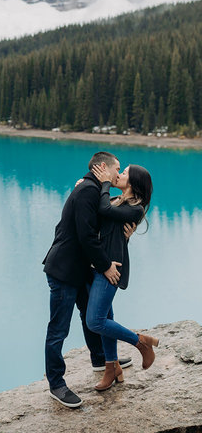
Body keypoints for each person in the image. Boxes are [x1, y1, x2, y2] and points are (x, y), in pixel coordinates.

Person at [42, 151, 135, 409]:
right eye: (117, 169)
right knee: (58, 329)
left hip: (80, 268)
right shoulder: (87, 191)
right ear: (103, 167)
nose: (118, 175)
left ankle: (101, 359)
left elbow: (106, 223)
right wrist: (106, 266)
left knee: (89, 316)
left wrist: (129, 229)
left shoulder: (93, 189)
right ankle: (56, 384)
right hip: (64, 270)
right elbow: (86, 235)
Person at [85, 162, 158, 392]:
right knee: (106, 319)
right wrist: (85, 186)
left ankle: (141, 343)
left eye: (124, 173)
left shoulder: (135, 208)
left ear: (133, 183)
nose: (119, 174)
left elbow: (104, 211)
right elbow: (101, 211)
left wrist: (105, 182)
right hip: (99, 265)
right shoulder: (117, 201)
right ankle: (112, 368)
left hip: (112, 268)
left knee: (95, 321)